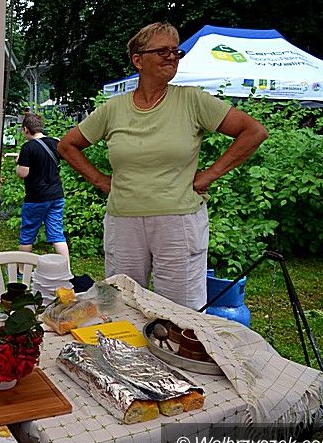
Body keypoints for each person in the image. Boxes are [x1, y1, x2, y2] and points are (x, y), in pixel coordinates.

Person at [57, 22, 268, 309]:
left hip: (178, 223)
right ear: (138, 60)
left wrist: (210, 175)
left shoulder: (192, 100)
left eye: (175, 51)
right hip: (124, 222)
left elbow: (254, 132)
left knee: (181, 310)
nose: (171, 56)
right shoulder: (113, 109)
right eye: (162, 51)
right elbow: (67, 145)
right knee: (121, 305)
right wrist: (100, 180)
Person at [15, 113, 70, 260]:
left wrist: (19, 162)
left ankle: (22, 269)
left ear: (26, 129)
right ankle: (66, 268)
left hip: (36, 198)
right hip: (56, 195)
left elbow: (23, 173)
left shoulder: (28, 147)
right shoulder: (56, 142)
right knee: (57, 234)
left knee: (27, 235)